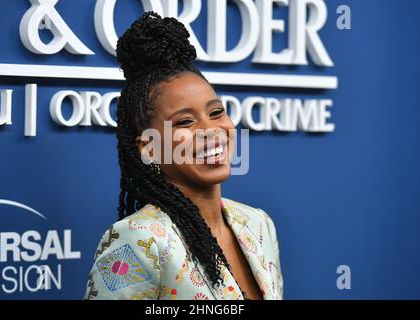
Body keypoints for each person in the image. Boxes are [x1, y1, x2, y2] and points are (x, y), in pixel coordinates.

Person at [84, 11, 283, 300]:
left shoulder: (258, 224)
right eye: (185, 122)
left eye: (216, 112)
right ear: (149, 147)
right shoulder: (139, 240)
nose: (210, 131)